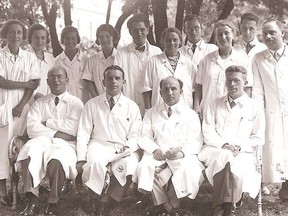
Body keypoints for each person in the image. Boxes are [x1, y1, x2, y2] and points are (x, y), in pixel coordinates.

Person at [15, 66, 83, 215]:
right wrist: (59, 133)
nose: (56, 80)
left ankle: (53, 202)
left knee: (58, 159)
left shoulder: (76, 103)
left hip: (66, 144)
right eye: (52, 77)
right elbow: (32, 128)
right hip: (41, 141)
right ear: (47, 81)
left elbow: (74, 128)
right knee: (29, 150)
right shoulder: (39, 103)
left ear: (67, 80)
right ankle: (32, 201)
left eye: (59, 76)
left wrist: (48, 123)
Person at [198, 65, 265, 216]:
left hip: (243, 152)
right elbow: (207, 131)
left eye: (236, 80)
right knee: (224, 156)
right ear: (225, 82)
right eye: (229, 81)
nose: (232, 84)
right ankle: (229, 205)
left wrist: (239, 147)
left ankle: (221, 206)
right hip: (214, 149)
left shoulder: (254, 107)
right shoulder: (214, 103)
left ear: (245, 82)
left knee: (231, 161)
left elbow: (258, 136)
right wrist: (224, 145)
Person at [76, 65, 142, 215]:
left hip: (122, 147)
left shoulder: (131, 107)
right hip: (98, 144)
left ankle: (108, 199)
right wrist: (80, 158)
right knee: (94, 163)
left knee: (130, 165)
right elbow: (83, 133)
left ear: (123, 82)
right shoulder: (92, 104)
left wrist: (127, 147)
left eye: (117, 78)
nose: (113, 82)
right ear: (103, 82)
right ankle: (94, 196)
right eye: (109, 78)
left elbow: (135, 134)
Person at [136, 76, 203, 215]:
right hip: (158, 154)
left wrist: (182, 152)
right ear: (160, 93)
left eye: (174, 89)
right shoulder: (151, 113)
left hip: (182, 155)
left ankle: (169, 206)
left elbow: (196, 140)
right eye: (166, 89)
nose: (170, 92)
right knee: (145, 167)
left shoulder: (190, 115)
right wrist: (155, 150)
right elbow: (144, 136)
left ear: (181, 91)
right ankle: (170, 209)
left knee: (186, 169)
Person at [0, 20, 40, 206]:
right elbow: (1, 81)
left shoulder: (30, 57)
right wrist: (24, 84)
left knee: (21, 148)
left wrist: (21, 105)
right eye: (11, 32)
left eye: (19, 32)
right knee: (2, 149)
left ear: (23, 36)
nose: (15, 36)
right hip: (4, 105)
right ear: (5, 34)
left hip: (23, 108)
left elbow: (34, 84)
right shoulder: (0, 55)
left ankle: (23, 189)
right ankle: (2, 191)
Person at [252, 19, 288, 200]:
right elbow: (257, 91)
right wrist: (258, 116)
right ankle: (283, 186)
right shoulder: (259, 58)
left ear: (282, 32)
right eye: (264, 33)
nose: (267, 36)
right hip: (272, 110)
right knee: (277, 147)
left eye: (272, 32)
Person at [194, 19, 250, 117]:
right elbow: (199, 87)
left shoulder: (242, 60)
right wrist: (196, 108)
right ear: (216, 37)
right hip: (207, 111)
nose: (223, 37)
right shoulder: (206, 59)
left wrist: (244, 111)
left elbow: (247, 88)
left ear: (234, 34)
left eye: (226, 33)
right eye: (219, 34)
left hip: (232, 112)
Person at [115, 13, 161, 116]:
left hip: (153, 106)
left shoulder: (157, 52)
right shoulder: (121, 53)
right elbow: (117, 81)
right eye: (135, 30)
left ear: (148, 30)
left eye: (142, 29)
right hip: (127, 106)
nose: (139, 33)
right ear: (130, 32)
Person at [142, 27, 197, 110]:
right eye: (168, 40)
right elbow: (146, 89)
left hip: (184, 111)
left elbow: (194, 90)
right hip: (159, 110)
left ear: (180, 42)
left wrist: (195, 111)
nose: (171, 43)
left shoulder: (189, 63)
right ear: (163, 42)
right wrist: (148, 111)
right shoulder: (153, 61)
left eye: (175, 40)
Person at [82, 24, 119, 98]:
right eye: (101, 37)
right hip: (98, 100)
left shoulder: (120, 57)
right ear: (98, 39)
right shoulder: (92, 60)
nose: (104, 39)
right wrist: (98, 99)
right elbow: (89, 82)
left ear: (113, 37)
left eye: (107, 36)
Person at [55, 26, 89, 103]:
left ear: (77, 40)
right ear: (62, 40)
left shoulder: (86, 60)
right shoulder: (57, 61)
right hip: (63, 103)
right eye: (67, 38)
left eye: (73, 38)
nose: (70, 41)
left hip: (82, 102)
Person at [28, 23, 55, 100]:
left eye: (43, 38)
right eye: (36, 38)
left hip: (48, 101)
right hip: (29, 102)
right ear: (30, 39)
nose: (40, 41)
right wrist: (35, 94)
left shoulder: (51, 59)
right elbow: (20, 80)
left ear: (46, 39)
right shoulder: (24, 58)